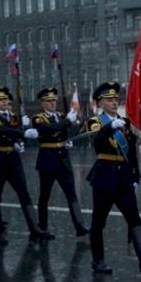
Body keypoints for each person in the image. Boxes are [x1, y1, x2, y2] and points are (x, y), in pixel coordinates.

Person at [86, 82, 141, 274]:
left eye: (115, 99)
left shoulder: (125, 122)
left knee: (134, 218)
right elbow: (98, 143)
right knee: (99, 221)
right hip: (105, 176)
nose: (114, 102)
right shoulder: (95, 122)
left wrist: (135, 176)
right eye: (109, 100)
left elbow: (132, 152)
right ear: (100, 103)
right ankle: (98, 261)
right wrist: (109, 127)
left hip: (124, 177)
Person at [0, 86, 46, 244]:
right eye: (1, 100)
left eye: (6, 99)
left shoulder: (13, 116)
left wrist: (18, 142)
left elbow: (12, 133)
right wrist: (22, 133)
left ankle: (34, 228)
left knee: (24, 192)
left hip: (13, 159)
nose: (5, 102)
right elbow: (0, 130)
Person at [31, 87, 89, 239]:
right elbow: (50, 129)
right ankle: (42, 227)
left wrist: (68, 141)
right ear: (43, 103)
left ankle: (79, 225)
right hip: (48, 160)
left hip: (63, 159)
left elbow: (67, 132)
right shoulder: (38, 118)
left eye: (54, 101)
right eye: (49, 101)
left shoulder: (61, 116)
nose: (52, 103)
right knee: (45, 195)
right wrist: (67, 121)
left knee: (71, 194)